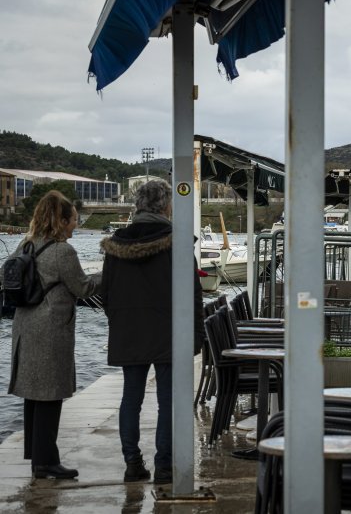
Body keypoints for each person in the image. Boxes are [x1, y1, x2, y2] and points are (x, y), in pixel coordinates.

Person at [99, 179, 203, 484]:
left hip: (129, 331)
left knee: (130, 398)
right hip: (169, 331)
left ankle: (132, 463)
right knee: (167, 401)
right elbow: (193, 294)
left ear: (138, 206)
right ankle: (165, 466)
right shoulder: (177, 242)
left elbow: (106, 293)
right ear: (166, 205)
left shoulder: (116, 245)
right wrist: (195, 337)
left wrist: (122, 320)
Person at [4, 190, 101, 479]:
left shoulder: (26, 244)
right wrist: (110, 273)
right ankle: (47, 461)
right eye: (73, 219)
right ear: (61, 220)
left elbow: (4, 275)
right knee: (49, 395)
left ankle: (38, 458)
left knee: (33, 395)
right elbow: (83, 288)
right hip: (50, 330)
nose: (76, 224)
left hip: (24, 326)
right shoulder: (63, 252)